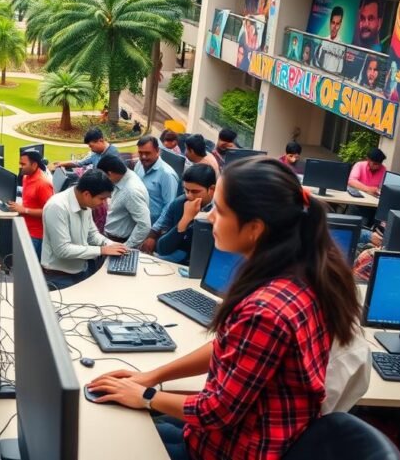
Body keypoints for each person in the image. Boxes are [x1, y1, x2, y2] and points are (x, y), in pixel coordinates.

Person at [88, 157, 361, 460]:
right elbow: (227, 346)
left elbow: (217, 411)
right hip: (231, 436)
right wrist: (150, 377)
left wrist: (147, 396)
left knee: (106, 443)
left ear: (255, 228)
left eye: (219, 209)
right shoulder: (302, 272)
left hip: (232, 449)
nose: (207, 218)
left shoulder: (265, 310)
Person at [41, 170, 128, 289]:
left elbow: (92, 234)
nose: (104, 204)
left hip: (80, 269)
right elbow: (62, 249)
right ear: (87, 194)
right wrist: (102, 250)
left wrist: (111, 245)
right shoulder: (57, 207)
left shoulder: (85, 203)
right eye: (102, 199)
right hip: (59, 277)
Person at [147, 165, 217, 264]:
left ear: (212, 189)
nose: (189, 196)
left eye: (195, 192)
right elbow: (162, 248)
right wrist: (185, 220)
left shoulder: (221, 210)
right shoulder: (179, 204)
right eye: (186, 190)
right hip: (179, 259)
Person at [98, 154, 152, 248]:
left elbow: (144, 225)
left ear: (110, 173)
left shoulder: (131, 191)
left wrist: (126, 247)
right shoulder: (123, 177)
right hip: (111, 239)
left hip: (118, 242)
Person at [8, 150, 54, 259]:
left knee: (30, 268)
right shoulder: (26, 177)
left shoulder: (43, 184)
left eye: (23, 164)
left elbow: (49, 212)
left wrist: (24, 210)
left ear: (34, 165)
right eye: (20, 163)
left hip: (36, 236)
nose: (20, 167)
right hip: (25, 227)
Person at [134, 136, 180, 225]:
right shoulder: (139, 165)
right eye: (140, 153)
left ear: (157, 151)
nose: (143, 157)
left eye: (147, 153)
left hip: (154, 228)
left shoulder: (167, 175)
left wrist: (154, 231)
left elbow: (169, 207)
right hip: (138, 222)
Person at [51, 127, 120, 171]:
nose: (91, 149)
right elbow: (80, 163)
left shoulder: (113, 155)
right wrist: (60, 164)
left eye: (91, 146)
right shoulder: (95, 153)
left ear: (101, 141)